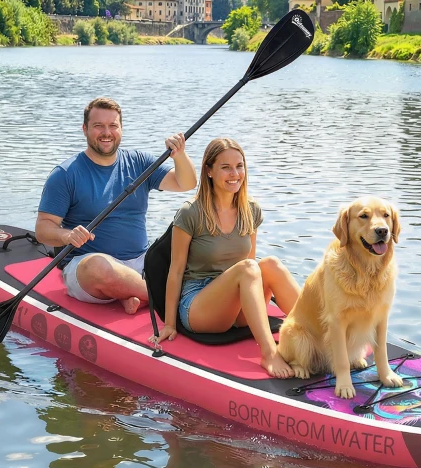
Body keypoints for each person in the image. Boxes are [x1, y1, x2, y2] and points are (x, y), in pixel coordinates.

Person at [153, 137, 300, 378]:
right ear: (209, 171)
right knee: (248, 268)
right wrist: (170, 324)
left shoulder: (251, 209)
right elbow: (176, 270)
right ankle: (268, 353)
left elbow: (251, 263)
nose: (235, 174)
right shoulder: (191, 212)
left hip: (236, 303)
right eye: (226, 167)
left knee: (270, 264)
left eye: (239, 166)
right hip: (199, 306)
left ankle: (322, 332)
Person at [36, 97, 197, 313]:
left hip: (141, 263)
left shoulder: (139, 162)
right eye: (98, 126)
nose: (106, 133)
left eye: (113, 125)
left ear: (121, 129)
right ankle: (166, 300)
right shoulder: (65, 174)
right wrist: (67, 236)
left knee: (192, 247)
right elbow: (43, 229)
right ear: (84, 129)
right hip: (89, 266)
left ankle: (129, 294)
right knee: (98, 267)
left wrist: (180, 155)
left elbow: (186, 183)